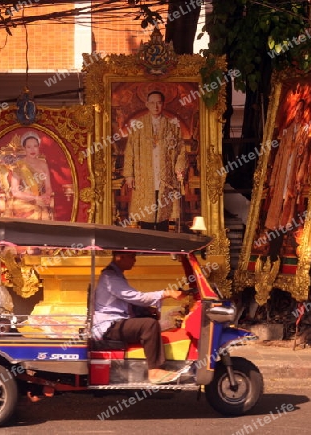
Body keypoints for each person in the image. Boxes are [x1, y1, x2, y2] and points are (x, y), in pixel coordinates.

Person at [92, 251, 185, 384]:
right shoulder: (110, 277)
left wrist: (146, 309)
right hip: (109, 326)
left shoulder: (115, 275)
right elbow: (137, 297)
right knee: (149, 325)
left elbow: (126, 302)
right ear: (120, 257)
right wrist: (167, 293)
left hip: (116, 321)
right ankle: (154, 371)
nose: (134, 260)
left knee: (149, 318)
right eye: (132, 257)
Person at [123, 90, 186, 231]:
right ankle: (147, 244)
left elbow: (181, 150)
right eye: (152, 103)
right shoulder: (138, 125)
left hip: (165, 175)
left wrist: (179, 168)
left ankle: (163, 244)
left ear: (163, 104)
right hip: (144, 175)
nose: (155, 106)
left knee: (164, 209)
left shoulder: (172, 125)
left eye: (158, 103)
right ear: (146, 104)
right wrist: (129, 175)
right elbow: (130, 151)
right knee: (146, 212)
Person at [264, 99, 308, 259]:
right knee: (275, 212)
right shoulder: (287, 132)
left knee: (288, 212)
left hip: (292, 178)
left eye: (301, 111)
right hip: (283, 177)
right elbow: (278, 158)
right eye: (296, 110)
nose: (298, 114)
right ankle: (272, 252)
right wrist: (274, 181)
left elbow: (304, 158)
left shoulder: (304, 132)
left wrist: (299, 179)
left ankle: (283, 252)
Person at [10, 131, 54, 220]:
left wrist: (46, 196)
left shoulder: (43, 165)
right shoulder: (19, 165)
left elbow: (48, 187)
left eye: (35, 146)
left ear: (38, 147)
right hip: (22, 203)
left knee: (44, 214)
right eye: (29, 147)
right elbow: (15, 192)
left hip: (39, 200)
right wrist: (36, 198)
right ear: (24, 149)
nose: (32, 150)